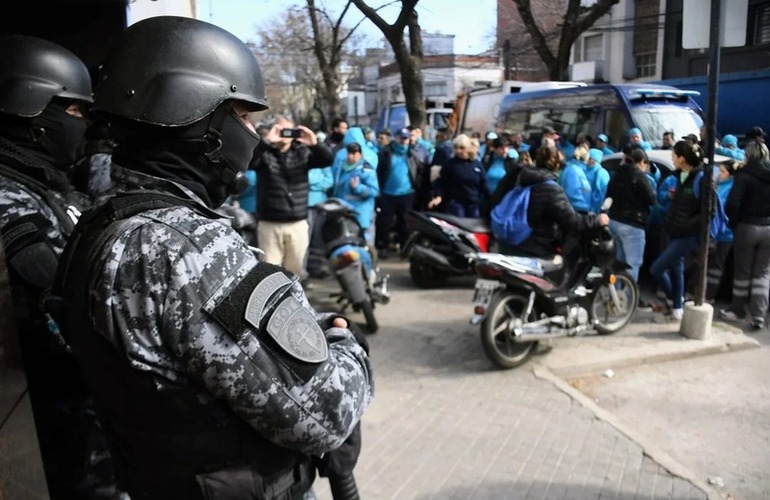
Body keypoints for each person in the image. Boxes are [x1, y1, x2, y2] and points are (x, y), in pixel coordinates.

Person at [48, 16, 373, 499]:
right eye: (243, 117)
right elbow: (325, 416)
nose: (254, 135)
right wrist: (350, 350)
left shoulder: (99, 221)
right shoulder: (190, 249)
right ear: (197, 115)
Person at [0, 34, 121, 499]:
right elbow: (62, 309)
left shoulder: (46, 185)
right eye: (73, 112)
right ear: (30, 111)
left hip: (82, 425)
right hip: (55, 433)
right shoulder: (11, 199)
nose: (83, 125)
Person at [485, 145, 610, 258]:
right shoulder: (551, 189)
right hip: (534, 247)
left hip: (509, 241)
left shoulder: (523, 179)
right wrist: (597, 220)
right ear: (556, 166)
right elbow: (571, 221)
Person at [251, 115, 334, 278]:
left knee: (295, 273)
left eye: (289, 130)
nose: (285, 135)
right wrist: (267, 141)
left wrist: (314, 143)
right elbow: (248, 161)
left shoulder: (302, 152)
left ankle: (291, 301)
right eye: (281, 130)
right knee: (269, 273)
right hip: (269, 223)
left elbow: (327, 160)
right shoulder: (264, 154)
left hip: (297, 223)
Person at [649, 140, 706, 320]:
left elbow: (707, 212)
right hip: (674, 231)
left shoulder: (701, 178)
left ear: (682, 158)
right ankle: (677, 310)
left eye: (674, 155)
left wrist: (687, 225)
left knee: (656, 269)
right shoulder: (681, 176)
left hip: (687, 234)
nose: (672, 159)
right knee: (676, 269)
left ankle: (676, 300)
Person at [720, 141, 770, 329]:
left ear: (748, 156)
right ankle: (758, 315)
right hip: (768, 228)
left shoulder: (744, 175)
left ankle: (738, 311)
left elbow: (733, 203)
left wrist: (733, 223)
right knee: (763, 273)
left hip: (747, 227)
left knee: (742, 272)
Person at [605, 147, 656, 284]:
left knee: (619, 261)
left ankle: (615, 296)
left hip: (614, 221)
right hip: (633, 225)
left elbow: (609, 194)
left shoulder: (618, 174)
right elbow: (651, 199)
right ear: (642, 162)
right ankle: (627, 298)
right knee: (633, 263)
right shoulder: (639, 176)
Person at [375, 127, 424, 258]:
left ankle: (405, 247)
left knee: (405, 223)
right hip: (387, 194)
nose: (403, 141)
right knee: (384, 222)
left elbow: (419, 173)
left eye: (406, 138)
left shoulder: (412, 154)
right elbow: (379, 172)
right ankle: (382, 247)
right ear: (396, 138)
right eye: (401, 138)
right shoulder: (385, 153)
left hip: (406, 194)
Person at [428, 133, 490, 218]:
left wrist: (491, 200)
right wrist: (438, 196)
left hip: (473, 204)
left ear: (469, 148)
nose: (458, 151)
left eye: (462, 148)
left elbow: (484, 184)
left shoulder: (477, 164)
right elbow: (441, 182)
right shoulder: (451, 164)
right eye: (456, 148)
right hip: (456, 203)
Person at [331, 142, 380, 243]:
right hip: (343, 211)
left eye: (354, 153)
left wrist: (358, 188)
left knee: (363, 241)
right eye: (349, 153)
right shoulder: (340, 167)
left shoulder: (366, 170)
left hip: (360, 212)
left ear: (360, 155)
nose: (350, 156)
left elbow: (374, 191)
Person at [705, 159, 738, 302]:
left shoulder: (732, 187)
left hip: (726, 234)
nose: (719, 174)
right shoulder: (719, 184)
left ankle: (709, 296)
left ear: (730, 174)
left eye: (723, 172)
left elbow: (723, 207)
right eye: (719, 171)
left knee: (716, 266)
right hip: (715, 232)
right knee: (709, 264)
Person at [559, 145, 591, 213]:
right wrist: (585, 208)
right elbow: (573, 193)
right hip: (577, 211)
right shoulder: (574, 171)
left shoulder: (576, 169)